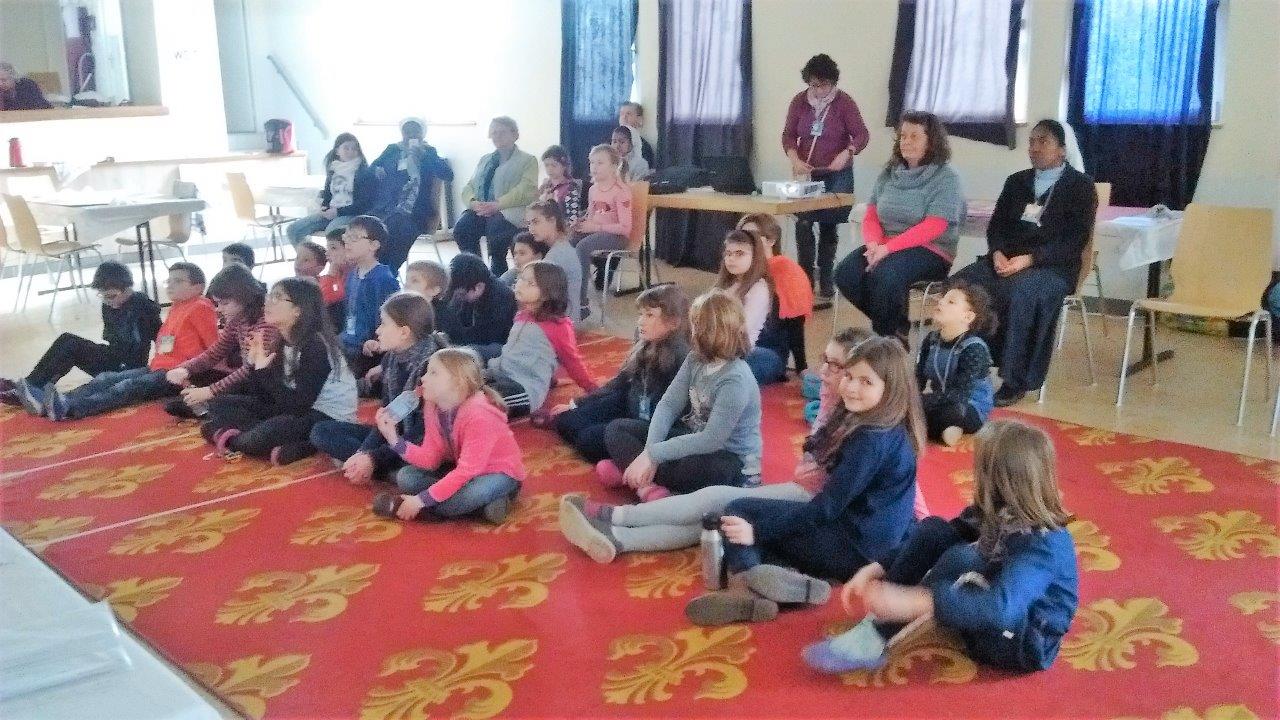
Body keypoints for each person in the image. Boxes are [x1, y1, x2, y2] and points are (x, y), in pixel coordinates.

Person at [559, 325, 878, 564]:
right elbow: (669, 404)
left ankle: (616, 518)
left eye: (836, 366)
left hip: (813, 500)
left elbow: (854, 491)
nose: (824, 371)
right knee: (712, 516)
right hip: (804, 489)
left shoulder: (864, 423)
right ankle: (620, 538)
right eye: (825, 360)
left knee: (716, 501)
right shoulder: (832, 395)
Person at [803, 420, 1078, 675]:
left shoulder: (1044, 544)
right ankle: (879, 621)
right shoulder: (1001, 506)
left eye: (979, 469)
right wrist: (877, 567)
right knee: (934, 530)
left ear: (1002, 480)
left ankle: (880, 634)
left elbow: (1002, 608)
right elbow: (947, 532)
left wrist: (921, 600)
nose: (973, 474)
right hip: (998, 600)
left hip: (1023, 641)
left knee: (960, 561)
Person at [683, 337, 923, 627]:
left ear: (891, 390)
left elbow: (825, 509)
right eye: (849, 376)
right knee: (759, 528)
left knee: (739, 513)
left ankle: (745, 589)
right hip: (870, 546)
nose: (851, 387)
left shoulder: (871, 441)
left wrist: (756, 531)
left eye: (866, 382)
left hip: (853, 550)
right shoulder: (890, 428)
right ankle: (791, 584)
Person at [952, 119, 1099, 406]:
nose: (1034, 148)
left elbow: (1074, 241)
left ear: (1062, 150)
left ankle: (1014, 378)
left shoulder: (1080, 187)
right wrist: (997, 253)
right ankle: (967, 363)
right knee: (964, 286)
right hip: (1006, 260)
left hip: (1053, 267)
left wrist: (1031, 259)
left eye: (1043, 141)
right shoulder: (1016, 182)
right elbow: (996, 227)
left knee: (1020, 293)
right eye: (1031, 141)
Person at [594, 291, 763, 503]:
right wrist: (649, 453)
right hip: (693, 439)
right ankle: (646, 484)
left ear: (713, 331)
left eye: (697, 325)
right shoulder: (695, 358)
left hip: (729, 460)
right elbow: (668, 405)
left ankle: (633, 473)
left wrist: (653, 455)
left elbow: (711, 440)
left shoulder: (735, 379)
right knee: (617, 429)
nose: (691, 330)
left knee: (703, 468)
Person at [833, 111, 965, 342]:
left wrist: (887, 249)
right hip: (884, 246)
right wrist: (874, 245)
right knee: (846, 273)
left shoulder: (946, 177)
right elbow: (872, 215)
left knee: (885, 276)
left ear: (931, 141)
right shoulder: (889, 173)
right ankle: (896, 330)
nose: (906, 141)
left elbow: (935, 225)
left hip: (931, 250)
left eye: (914, 136)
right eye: (903, 136)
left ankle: (886, 340)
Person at [202, 278, 357, 465]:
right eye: (270, 296)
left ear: (298, 310)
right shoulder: (282, 340)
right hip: (293, 406)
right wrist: (254, 365)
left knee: (264, 434)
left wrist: (262, 371)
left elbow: (298, 405)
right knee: (219, 404)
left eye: (277, 298)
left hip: (325, 415)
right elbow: (266, 396)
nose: (268, 302)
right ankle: (268, 441)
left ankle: (246, 439)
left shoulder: (315, 346)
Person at [38, 264, 219, 421]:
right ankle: (62, 399)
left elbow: (214, 347)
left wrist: (200, 376)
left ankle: (71, 407)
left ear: (198, 287)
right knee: (106, 378)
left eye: (178, 281)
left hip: (179, 372)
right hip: (159, 366)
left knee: (126, 386)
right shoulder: (176, 307)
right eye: (169, 280)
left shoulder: (200, 307)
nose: (170, 285)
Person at [370, 347, 524, 524]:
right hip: (464, 470)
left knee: (467, 496)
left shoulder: (480, 414)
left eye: (433, 373)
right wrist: (394, 439)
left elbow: (467, 470)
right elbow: (431, 459)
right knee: (406, 477)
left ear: (458, 383)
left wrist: (420, 500)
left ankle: (440, 506)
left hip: (499, 473)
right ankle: (484, 507)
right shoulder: (433, 405)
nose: (423, 378)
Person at [311, 292, 441, 484]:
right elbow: (388, 415)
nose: (378, 330)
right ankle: (375, 466)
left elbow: (422, 432)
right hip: (394, 433)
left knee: (407, 478)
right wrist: (364, 452)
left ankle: (379, 468)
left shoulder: (432, 367)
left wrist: (373, 457)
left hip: (422, 442)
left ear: (404, 332)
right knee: (321, 431)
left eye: (384, 324)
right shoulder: (392, 359)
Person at [552, 284, 690, 464]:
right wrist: (576, 404)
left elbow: (672, 413)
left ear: (674, 322)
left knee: (587, 441)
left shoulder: (682, 358)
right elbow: (622, 381)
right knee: (566, 422)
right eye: (641, 314)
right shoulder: (645, 341)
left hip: (652, 424)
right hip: (629, 403)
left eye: (649, 315)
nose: (641, 321)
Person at [7, 261, 160, 413]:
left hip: (130, 366)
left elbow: (161, 335)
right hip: (114, 357)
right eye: (104, 297)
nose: (109, 302)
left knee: (73, 347)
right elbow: (112, 341)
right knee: (68, 341)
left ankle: (36, 391)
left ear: (127, 288)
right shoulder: (108, 306)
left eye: (112, 296)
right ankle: (31, 385)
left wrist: (158, 369)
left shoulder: (143, 306)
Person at [782, 53, 869, 306]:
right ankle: (805, 280)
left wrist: (847, 152)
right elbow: (788, 135)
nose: (819, 90)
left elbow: (862, 135)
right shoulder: (799, 102)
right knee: (803, 223)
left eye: (824, 85)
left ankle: (827, 279)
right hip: (809, 172)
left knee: (829, 224)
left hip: (837, 173)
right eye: (814, 85)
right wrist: (795, 159)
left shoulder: (844, 103)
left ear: (833, 82)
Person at [162, 264, 280, 420]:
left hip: (263, 383)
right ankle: (209, 406)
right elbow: (215, 352)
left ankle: (213, 408)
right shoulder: (237, 319)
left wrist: (210, 391)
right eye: (217, 303)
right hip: (249, 379)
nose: (218, 309)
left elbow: (250, 370)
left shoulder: (265, 322)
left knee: (222, 403)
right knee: (186, 381)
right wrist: (186, 368)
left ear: (244, 298)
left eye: (224, 303)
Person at [484, 261, 598, 418]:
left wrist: (596, 392)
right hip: (500, 373)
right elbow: (531, 354)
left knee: (481, 403)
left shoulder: (558, 326)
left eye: (530, 283)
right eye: (521, 278)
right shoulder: (523, 314)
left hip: (524, 388)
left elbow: (572, 362)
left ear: (547, 293)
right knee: (463, 385)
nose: (520, 284)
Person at [453, 116, 538, 276]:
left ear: (515, 135)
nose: (497, 136)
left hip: (510, 211)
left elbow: (526, 190)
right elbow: (469, 186)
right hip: (482, 210)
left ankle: (498, 273)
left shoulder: (528, 160)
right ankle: (475, 271)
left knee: (496, 230)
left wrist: (498, 205)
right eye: (494, 133)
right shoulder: (485, 160)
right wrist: (473, 203)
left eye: (502, 132)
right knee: (462, 228)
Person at [369, 118, 454, 274]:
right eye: (407, 131)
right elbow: (372, 168)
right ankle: (376, 270)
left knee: (400, 228)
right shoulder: (392, 150)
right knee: (374, 227)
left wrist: (425, 156)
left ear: (423, 133)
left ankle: (388, 272)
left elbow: (448, 175)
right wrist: (377, 169)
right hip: (388, 206)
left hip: (417, 211)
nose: (411, 135)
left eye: (416, 131)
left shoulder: (429, 152)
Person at [917, 282, 997, 446]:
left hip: (968, 406)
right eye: (943, 298)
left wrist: (924, 401)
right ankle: (941, 428)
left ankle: (948, 427)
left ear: (968, 317)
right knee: (903, 409)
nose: (941, 302)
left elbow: (960, 394)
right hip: (940, 401)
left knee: (952, 412)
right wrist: (908, 398)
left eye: (951, 302)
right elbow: (918, 377)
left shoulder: (974, 348)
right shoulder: (931, 340)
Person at [739, 213, 812, 373]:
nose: (746, 241)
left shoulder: (787, 271)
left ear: (771, 240)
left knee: (732, 369)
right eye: (742, 235)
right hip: (736, 347)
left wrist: (801, 367)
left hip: (768, 352)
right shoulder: (737, 268)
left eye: (752, 235)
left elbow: (795, 323)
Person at [716, 229, 788, 385]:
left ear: (755, 257)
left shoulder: (759, 288)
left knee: (727, 376)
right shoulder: (724, 286)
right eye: (728, 253)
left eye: (740, 254)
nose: (731, 259)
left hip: (750, 352)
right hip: (723, 347)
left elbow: (744, 332)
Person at [573, 144, 633, 313]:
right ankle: (564, 293)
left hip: (617, 237)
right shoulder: (593, 189)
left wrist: (596, 226)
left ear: (614, 166)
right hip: (598, 232)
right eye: (592, 162)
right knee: (567, 240)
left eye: (600, 163)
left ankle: (581, 301)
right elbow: (592, 216)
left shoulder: (621, 192)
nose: (594, 167)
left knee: (582, 247)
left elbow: (625, 228)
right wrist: (581, 222)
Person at [338, 216, 401, 377]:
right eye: (346, 237)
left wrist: (376, 343)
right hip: (349, 340)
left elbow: (392, 318)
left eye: (354, 237)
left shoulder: (383, 279)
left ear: (374, 245)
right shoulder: (353, 274)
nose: (347, 242)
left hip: (367, 349)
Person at [286, 133, 375, 246]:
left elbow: (364, 204)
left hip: (352, 215)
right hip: (332, 212)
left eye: (354, 149)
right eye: (346, 148)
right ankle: (310, 256)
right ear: (337, 151)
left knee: (332, 232)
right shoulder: (333, 170)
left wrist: (338, 212)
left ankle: (335, 257)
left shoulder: (365, 173)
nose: (350, 151)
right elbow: (328, 195)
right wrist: (324, 208)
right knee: (293, 230)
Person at [437, 253, 517, 358]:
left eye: (461, 295)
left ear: (478, 287)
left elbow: (490, 338)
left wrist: (454, 344)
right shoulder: (467, 287)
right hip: (475, 337)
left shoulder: (501, 300)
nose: (458, 298)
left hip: (497, 344)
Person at [524, 200, 583, 321]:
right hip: (562, 316)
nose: (531, 229)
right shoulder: (560, 246)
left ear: (552, 221)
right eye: (529, 224)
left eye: (535, 222)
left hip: (561, 321)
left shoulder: (558, 254)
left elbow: (537, 295)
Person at [537, 145, 583, 226]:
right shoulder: (544, 186)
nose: (549, 169)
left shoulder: (570, 188)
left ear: (564, 166)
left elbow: (572, 218)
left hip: (562, 227)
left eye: (554, 165)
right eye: (546, 165)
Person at [319, 229, 351, 330]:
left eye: (333, 248)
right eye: (327, 248)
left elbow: (327, 300)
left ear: (349, 248)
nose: (327, 253)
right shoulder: (339, 273)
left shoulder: (352, 274)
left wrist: (331, 275)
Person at [617, 101, 654, 168]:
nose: (624, 117)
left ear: (639, 119)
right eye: (621, 114)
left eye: (628, 114)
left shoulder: (644, 147)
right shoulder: (610, 142)